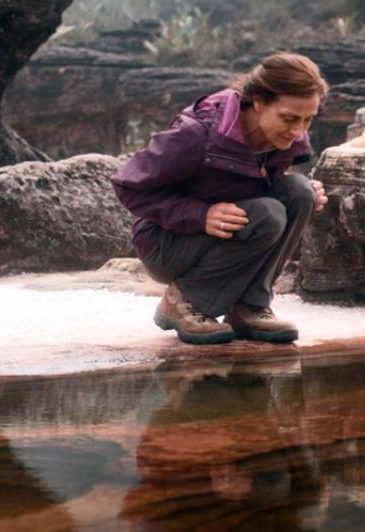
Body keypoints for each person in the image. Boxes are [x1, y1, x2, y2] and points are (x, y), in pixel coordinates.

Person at [111, 52, 330, 345]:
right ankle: (182, 302)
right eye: (289, 118)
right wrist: (201, 215)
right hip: (166, 245)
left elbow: (254, 184)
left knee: (300, 192)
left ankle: (249, 306)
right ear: (258, 101)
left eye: (308, 120)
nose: (298, 131)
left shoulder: (287, 135)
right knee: (268, 214)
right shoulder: (197, 133)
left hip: (225, 231)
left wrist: (308, 192)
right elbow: (128, 186)